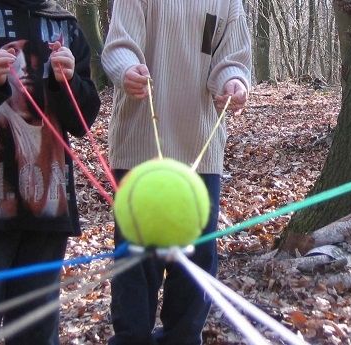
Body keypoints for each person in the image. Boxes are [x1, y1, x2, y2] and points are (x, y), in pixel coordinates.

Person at [0, 0, 100, 343]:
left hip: (48, 213)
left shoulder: (65, 26)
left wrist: (66, 81)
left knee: (36, 331)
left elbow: (83, 120)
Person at [101, 1, 252, 344]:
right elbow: (120, 46)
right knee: (136, 261)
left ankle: (183, 338)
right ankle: (131, 338)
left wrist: (233, 83)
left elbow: (232, 59)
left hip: (200, 150)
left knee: (195, 261)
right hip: (139, 149)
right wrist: (127, 71)